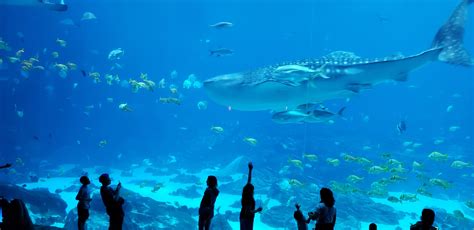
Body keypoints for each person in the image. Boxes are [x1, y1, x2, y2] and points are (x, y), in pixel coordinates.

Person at [240, 162, 263, 230]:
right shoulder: (249, 200)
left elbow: (249, 181)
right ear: (251, 192)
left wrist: (250, 170)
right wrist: (258, 210)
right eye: (253, 190)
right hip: (246, 219)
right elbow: (249, 212)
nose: (253, 191)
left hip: (243, 217)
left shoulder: (244, 195)